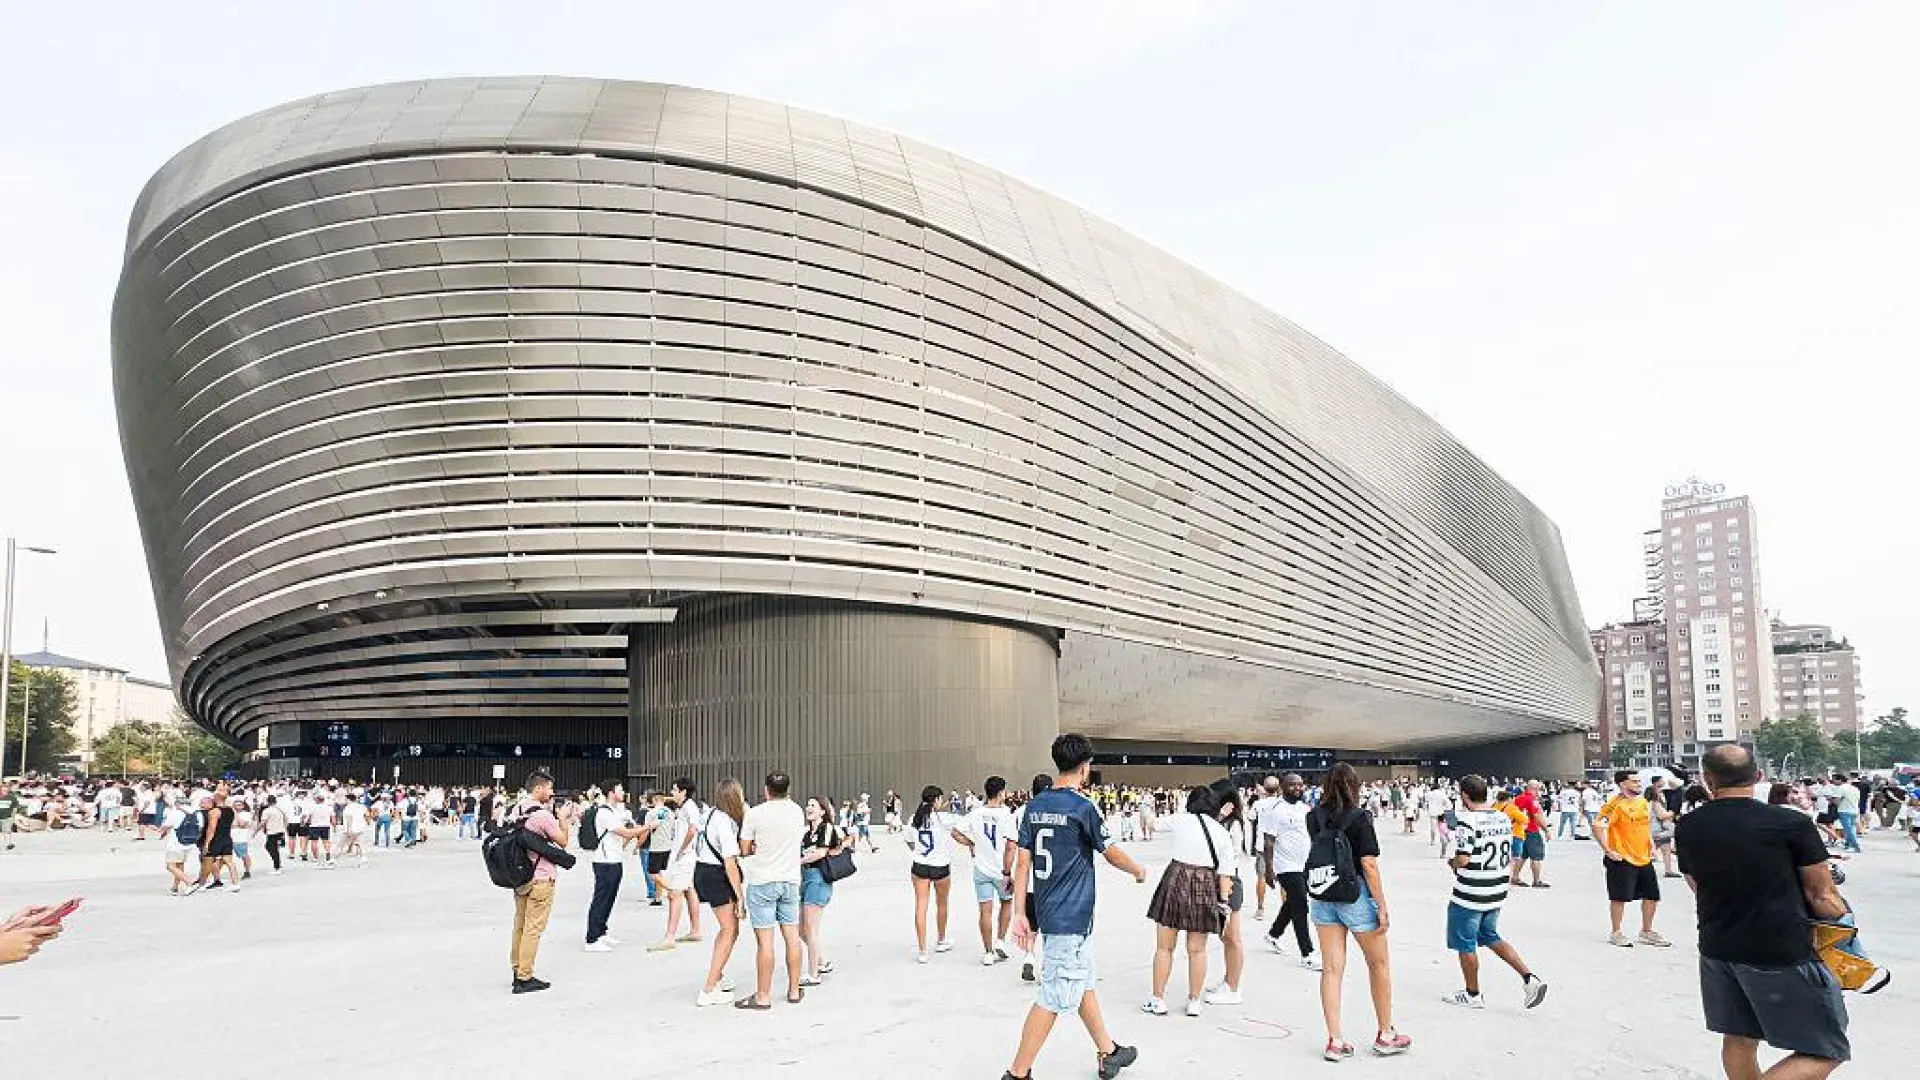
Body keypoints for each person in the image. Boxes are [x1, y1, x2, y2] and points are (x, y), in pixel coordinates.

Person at [1676, 746, 1854, 1078]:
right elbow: (1822, 895)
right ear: (1758, 776)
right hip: (1780, 949)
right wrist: (1845, 926)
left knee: (1740, 1037)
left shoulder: (1689, 825)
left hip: (1717, 947)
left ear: (1707, 778)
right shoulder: (1790, 823)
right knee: (1826, 1049)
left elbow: (1696, 884)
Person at [1002, 733, 1146, 1080]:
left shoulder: (1034, 806)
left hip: (1050, 910)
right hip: (1071, 916)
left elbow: (1023, 864)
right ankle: (1017, 1073)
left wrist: (1021, 912)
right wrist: (1138, 870)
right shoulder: (1083, 807)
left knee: (1082, 980)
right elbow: (1109, 851)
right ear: (1085, 767)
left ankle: (1108, 1052)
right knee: (1054, 994)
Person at [1310, 762, 1410, 1061]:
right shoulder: (1360, 818)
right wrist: (1381, 904)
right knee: (1378, 964)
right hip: (1355, 895)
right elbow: (1369, 864)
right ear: (1354, 785)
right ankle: (1386, 1033)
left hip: (1324, 893)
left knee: (1331, 969)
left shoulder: (1313, 816)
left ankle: (1335, 1039)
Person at [1440, 775, 1548, 1011]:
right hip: (1497, 889)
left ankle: (1472, 994)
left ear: (1464, 796)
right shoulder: (1502, 817)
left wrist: (1452, 862)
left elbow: (1463, 858)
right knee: (1489, 935)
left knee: (1465, 943)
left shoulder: (1467, 822)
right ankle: (1529, 978)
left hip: (1471, 893)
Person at [1143, 786, 1235, 1018]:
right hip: (1204, 883)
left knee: (1164, 947)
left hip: (1175, 880)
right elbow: (1225, 873)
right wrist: (1223, 903)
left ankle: (1158, 999)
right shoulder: (1221, 832)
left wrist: (1147, 809)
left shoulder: (1181, 820)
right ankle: (1194, 1001)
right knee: (1197, 950)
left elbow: (1153, 824)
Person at [736, 772, 807, 1009]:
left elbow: (744, 849)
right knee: (792, 938)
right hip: (790, 880)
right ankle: (795, 990)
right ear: (789, 789)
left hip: (763, 881)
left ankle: (763, 996)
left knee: (765, 943)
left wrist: (758, 846)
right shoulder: (797, 811)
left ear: (766, 790)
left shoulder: (755, 814)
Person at [508, 769, 570, 994]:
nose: (552, 793)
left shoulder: (517, 809)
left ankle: (517, 969)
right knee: (534, 928)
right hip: (541, 877)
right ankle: (525, 977)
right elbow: (563, 842)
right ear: (539, 788)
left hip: (520, 875)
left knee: (520, 926)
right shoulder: (542, 816)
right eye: (550, 788)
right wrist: (562, 819)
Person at [691, 777, 748, 1006]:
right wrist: (740, 897)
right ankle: (709, 988)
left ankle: (718, 974)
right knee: (729, 929)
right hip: (717, 875)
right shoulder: (724, 821)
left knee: (728, 930)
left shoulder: (709, 814)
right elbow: (730, 863)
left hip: (702, 871)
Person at [1595, 770, 1669, 948]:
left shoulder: (1643, 802)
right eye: (1634, 782)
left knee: (1652, 896)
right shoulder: (1615, 804)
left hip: (1643, 856)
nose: (1638, 784)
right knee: (1619, 897)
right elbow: (1598, 826)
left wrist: (1651, 844)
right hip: (1622, 857)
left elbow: (1644, 826)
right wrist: (1608, 850)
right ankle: (1616, 932)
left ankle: (1646, 931)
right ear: (1623, 784)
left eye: (1638, 781)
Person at [959, 775, 1018, 967]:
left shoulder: (975, 813)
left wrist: (971, 843)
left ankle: (988, 952)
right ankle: (1000, 940)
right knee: (1007, 903)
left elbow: (955, 831)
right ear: (1001, 793)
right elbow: (1011, 846)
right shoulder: (1007, 814)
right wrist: (1007, 873)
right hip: (1000, 869)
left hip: (981, 868)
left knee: (985, 911)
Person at [1264, 772, 1320, 969]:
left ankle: (1273, 934)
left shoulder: (1305, 809)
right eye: (1292, 785)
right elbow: (1269, 841)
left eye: (1300, 785)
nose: (1297, 788)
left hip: (1304, 864)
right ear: (1282, 788)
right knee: (1300, 905)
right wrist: (1269, 870)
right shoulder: (1275, 810)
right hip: (1285, 866)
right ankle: (1307, 953)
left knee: (1293, 902)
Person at [585, 784, 646, 952]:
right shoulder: (604, 813)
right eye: (619, 790)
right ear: (611, 793)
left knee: (610, 898)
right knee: (601, 899)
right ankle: (592, 938)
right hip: (605, 862)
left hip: (614, 860)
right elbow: (626, 833)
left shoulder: (614, 811)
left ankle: (602, 931)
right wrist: (648, 826)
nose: (623, 792)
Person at [906, 785, 960, 962]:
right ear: (936, 799)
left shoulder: (915, 818)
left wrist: (919, 851)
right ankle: (941, 940)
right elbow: (960, 833)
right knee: (942, 904)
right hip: (940, 866)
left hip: (920, 865)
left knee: (921, 907)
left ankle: (922, 951)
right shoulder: (945, 818)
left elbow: (909, 841)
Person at [653, 778, 706, 952]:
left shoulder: (689, 807)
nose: (672, 792)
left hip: (684, 858)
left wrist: (682, 849)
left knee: (675, 895)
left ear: (683, 792)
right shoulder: (683, 808)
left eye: (675, 789)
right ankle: (696, 930)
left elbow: (693, 830)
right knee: (690, 892)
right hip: (685, 857)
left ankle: (670, 936)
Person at [798, 795, 846, 986]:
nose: (808, 808)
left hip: (818, 879)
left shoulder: (826, 828)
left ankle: (813, 974)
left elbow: (820, 853)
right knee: (801, 929)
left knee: (810, 929)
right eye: (807, 804)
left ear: (823, 811)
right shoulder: (806, 833)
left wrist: (798, 861)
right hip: (806, 878)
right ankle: (821, 962)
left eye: (813, 806)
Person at [1248, 776, 1281, 919]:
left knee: (1261, 876)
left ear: (1264, 788)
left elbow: (1250, 818)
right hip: (1280, 846)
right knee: (1283, 877)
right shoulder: (1283, 803)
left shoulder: (1258, 804)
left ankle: (1260, 908)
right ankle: (1286, 909)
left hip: (1262, 845)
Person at [1510, 781, 1549, 888]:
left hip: (1520, 830)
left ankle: (1515, 877)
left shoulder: (1517, 799)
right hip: (1532, 830)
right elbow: (1537, 816)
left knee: (1522, 856)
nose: (1539, 792)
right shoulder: (1532, 800)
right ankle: (1536, 881)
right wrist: (1546, 830)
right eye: (1539, 789)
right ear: (1534, 789)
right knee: (1536, 857)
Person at [256, 794, 288, 875]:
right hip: (280, 831)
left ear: (267, 801)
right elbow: (286, 820)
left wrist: (255, 831)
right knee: (275, 849)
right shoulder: (280, 810)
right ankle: (278, 865)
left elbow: (262, 822)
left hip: (272, 832)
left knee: (270, 848)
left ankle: (277, 866)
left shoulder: (267, 811)